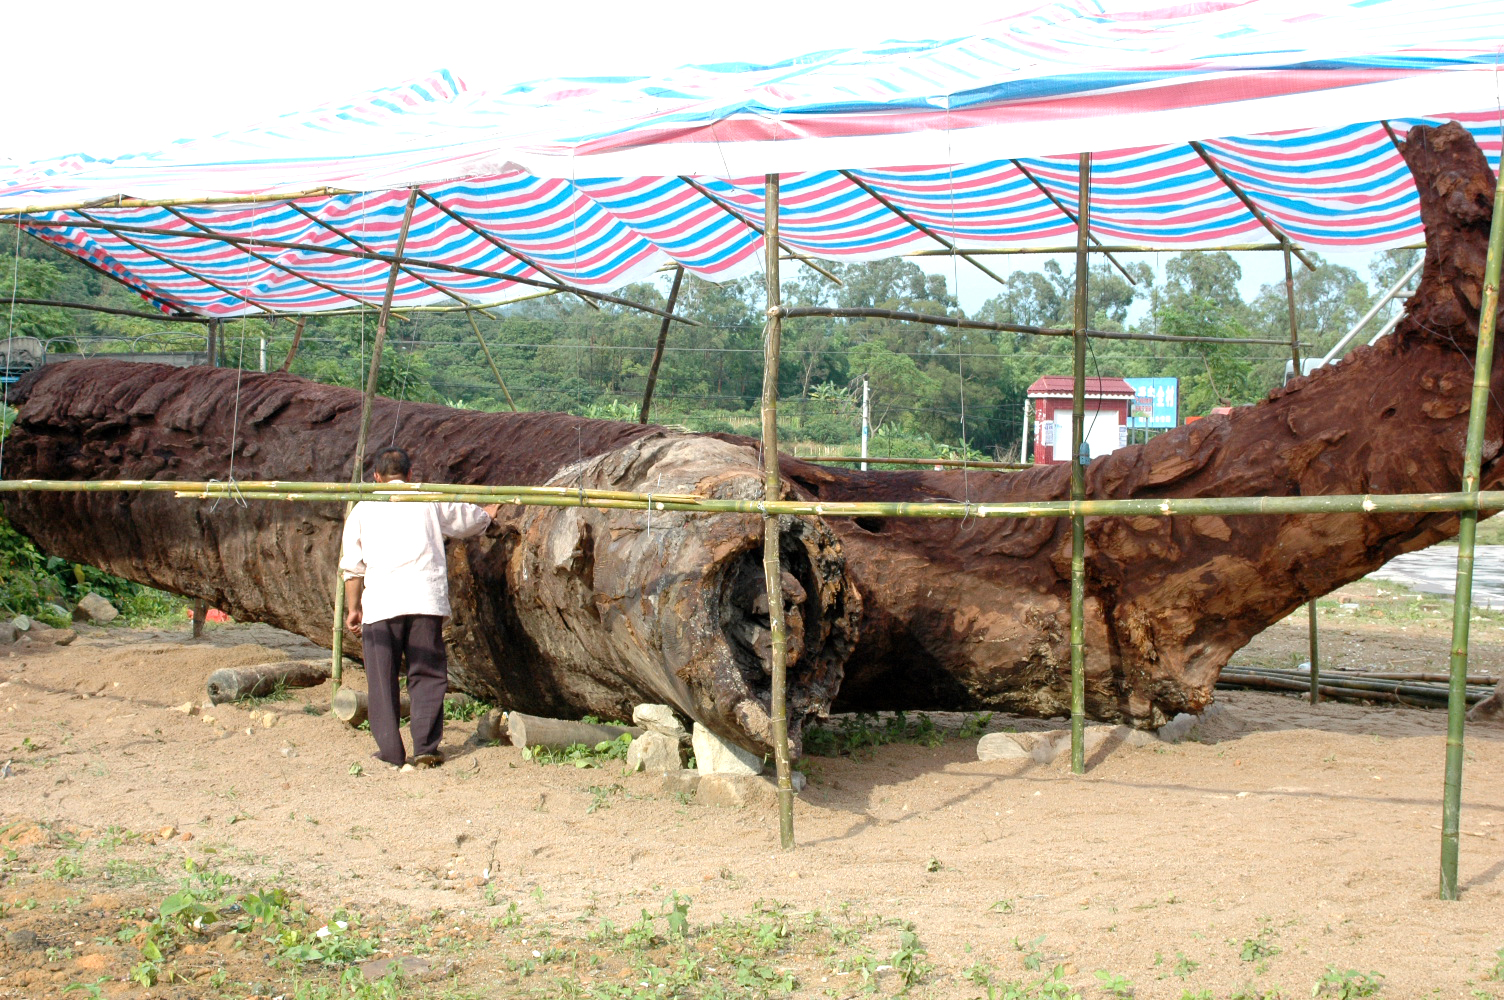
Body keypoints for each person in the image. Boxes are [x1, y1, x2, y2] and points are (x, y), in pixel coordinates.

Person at [339, 447, 497, 769]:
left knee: (381, 680)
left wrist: (353, 609)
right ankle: (426, 748)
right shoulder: (427, 498)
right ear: (410, 474)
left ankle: (390, 752)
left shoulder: (363, 509)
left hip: (381, 604)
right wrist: (487, 516)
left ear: (376, 477)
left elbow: (352, 569)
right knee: (426, 673)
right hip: (424, 600)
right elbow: (464, 518)